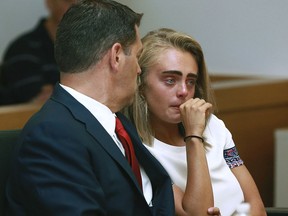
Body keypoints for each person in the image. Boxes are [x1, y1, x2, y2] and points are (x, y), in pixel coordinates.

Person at [5, 1, 176, 215]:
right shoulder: (51, 136)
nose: (139, 69)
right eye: (138, 56)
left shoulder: (117, 122)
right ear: (116, 56)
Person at [127, 28, 267, 216]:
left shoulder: (213, 126)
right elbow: (197, 213)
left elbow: (254, 203)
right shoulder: (136, 149)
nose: (184, 91)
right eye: (170, 80)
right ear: (141, 84)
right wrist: (194, 136)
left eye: (191, 81)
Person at [0, 0, 76, 105]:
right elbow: (37, 105)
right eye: (68, 1)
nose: (78, 6)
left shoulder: (96, 48)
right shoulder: (22, 50)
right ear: (49, 3)